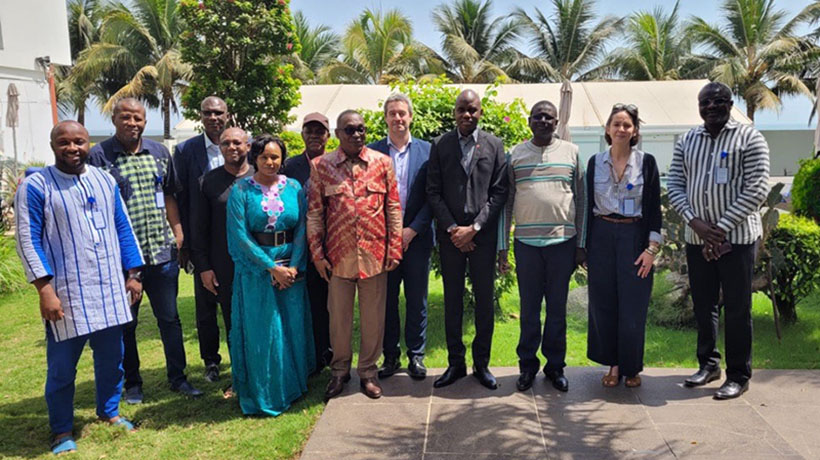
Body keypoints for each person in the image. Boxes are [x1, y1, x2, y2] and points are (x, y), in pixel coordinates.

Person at [15, 121, 144, 455]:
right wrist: (45, 289)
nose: (72, 148)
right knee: (61, 368)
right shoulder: (36, 185)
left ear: (89, 144)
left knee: (112, 359)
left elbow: (123, 227)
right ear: (52, 144)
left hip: (108, 288)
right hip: (67, 294)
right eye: (64, 142)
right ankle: (61, 430)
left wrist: (134, 273)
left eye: (79, 141)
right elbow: (28, 240)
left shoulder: (104, 179)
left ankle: (109, 411)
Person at [88, 97, 202, 403]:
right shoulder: (99, 157)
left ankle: (178, 378)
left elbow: (169, 196)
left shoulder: (159, 152)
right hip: (124, 261)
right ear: (114, 120)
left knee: (170, 319)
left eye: (138, 118)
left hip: (162, 254)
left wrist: (178, 234)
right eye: (126, 117)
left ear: (144, 122)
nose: (132, 123)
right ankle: (133, 384)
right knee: (127, 323)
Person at [668, 82, 770, 400]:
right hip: (697, 239)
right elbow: (674, 183)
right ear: (699, 106)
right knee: (704, 304)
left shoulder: (750, 137)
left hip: (737, 239)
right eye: (705, 102)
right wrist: (696, 223)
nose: (711, 106)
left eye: (718, 101)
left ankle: (739, 374)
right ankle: (709, 364)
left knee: (738, 307)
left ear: (730, 103)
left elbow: (757, 188)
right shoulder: (687, 139)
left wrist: (721, 227)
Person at [307, 110, 402, 400]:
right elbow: (314, 213)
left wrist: (394, 247)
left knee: (374, 318)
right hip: (338, 257)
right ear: (337, 134)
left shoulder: (382, 163)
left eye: (361, 129)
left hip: (374, 255)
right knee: (339, 319)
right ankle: (339, 372)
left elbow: (394, 208)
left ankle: (368, 372)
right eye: (350, 130)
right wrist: (317, 253)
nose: (357, 134)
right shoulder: (321, 166)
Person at [498, 101, 586, 393]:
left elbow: (582, 200)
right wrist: (503, 246)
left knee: (557, 310)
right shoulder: (516, 155)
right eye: (539, 117)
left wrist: (581, 244)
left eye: (549, 117)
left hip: (563, 244)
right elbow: (508, 203)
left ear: (557, 122)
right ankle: (527, 366)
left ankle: (555, 367)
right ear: (529, 121)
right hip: (526, 245)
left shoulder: (571, 153)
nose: (544, 121)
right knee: (529, 310)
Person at [226, 133, 315, 416]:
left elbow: (302, 227)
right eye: (264, 156)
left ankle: (294, 385)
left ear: (282, 159)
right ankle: (268, 393)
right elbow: (239, 236)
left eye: (275, 156)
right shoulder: (241, 191)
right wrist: (271, 267)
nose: (270, 162)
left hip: (292, 267)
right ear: (254, 158)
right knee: (265, 330)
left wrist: (294, 267)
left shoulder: (294, 187)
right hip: (258, 270)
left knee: (292, 326)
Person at [426, 90, 508, 390]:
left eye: (472, 109)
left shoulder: (495, 146)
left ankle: (482, 365)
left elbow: (499, 192)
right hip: (450, 240)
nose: (467, 115)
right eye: (462, 109)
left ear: (480, 112)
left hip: (482, 239)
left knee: (484, 302)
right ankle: (455, 363)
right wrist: (453, 229)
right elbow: (432, 191)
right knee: (453, 302)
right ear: (454, 112)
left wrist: (474, 228)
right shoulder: (441, 145)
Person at [585, 103, 662, 388]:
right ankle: (614, 366)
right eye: (616, 124)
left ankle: (632, 367)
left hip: (634, 238)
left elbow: (655, 209)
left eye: (627, 125)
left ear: (635, 131)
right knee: (604, 304)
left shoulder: (647, 162)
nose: (621, 129)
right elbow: (587, 207)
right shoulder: (594, 162)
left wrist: (651, 249)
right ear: (607, 129)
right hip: (602, 237)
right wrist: (585, 249)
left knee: (633, 306)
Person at [369, 93, 434, 380]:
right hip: (382, 241)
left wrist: (412, 229)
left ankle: (416, 356)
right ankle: (391, 356)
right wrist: (389, 232)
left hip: (417, 238)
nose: (398, 118)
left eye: (402, 113)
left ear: (410, 117)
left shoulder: (429, 152)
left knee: (417, 298)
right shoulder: (371, 153)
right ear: (385, 117)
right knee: (387, 300)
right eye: (392, 113)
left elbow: (434, 195)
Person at [190, 127, 253, 395]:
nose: (231, 147)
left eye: (237, 142)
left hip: (257, 265)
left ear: (248, 146)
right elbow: (198, 229)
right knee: (232, 321)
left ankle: (257, 369)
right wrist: (203, 267)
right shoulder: (207, 182)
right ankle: (238, 375)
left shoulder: (260, 178)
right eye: (226, 143)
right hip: (223, 265)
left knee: (255, 318)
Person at [174, 96, 231, 382]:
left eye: (218, 112)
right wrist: (184, 242)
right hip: (202, 238)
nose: (213, 117)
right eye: (208, 112)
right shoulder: (186, 150)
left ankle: (242, 355)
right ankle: (211, 362)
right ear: (201, 115)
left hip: (236, 237)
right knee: (206, 306)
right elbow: (180, 196)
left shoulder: (240, 144)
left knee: (237, 303)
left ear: (227, 115)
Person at [281, 112, 332, 372]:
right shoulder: (289, 167)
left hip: (331, 247)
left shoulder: (335, 164)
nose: (315, 135)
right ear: (302, 134)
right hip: (299, 248)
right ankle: (309, 357)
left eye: (320, 131)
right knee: (306, 304)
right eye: (309, 131)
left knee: (330, 304)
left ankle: (329, 353)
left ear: (328, 135)